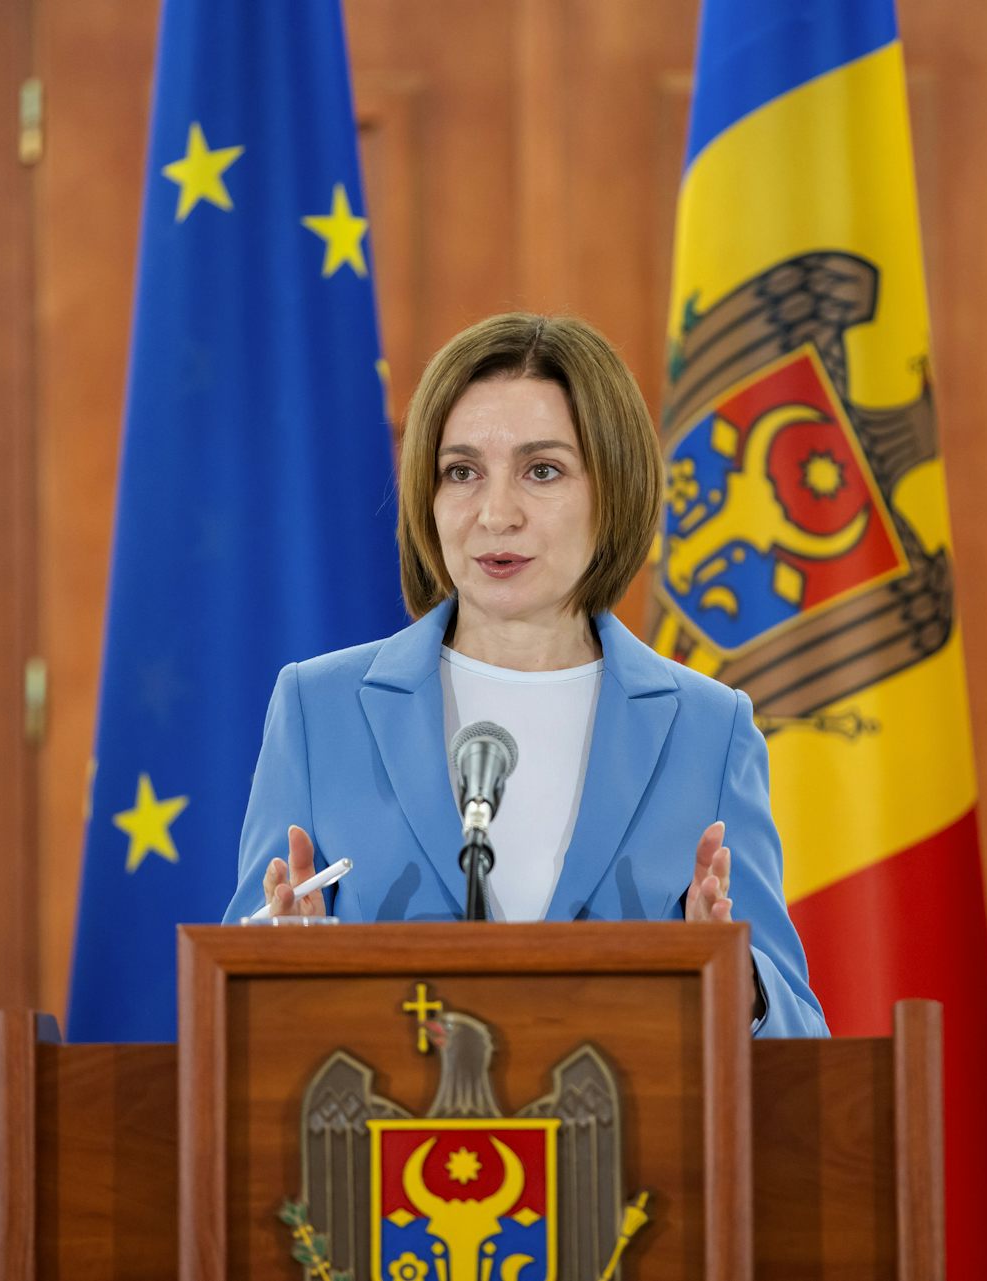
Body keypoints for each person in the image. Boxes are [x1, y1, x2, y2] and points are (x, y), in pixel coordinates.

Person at [224, 313, 827, 1037]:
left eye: (542, 471)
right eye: (462, 472)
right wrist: (278, 972)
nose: (496, 513)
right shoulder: (319, 711)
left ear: (613, 488)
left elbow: (801, 1041)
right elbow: (227, 1016)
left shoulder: (707, 728)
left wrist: (740, 984)